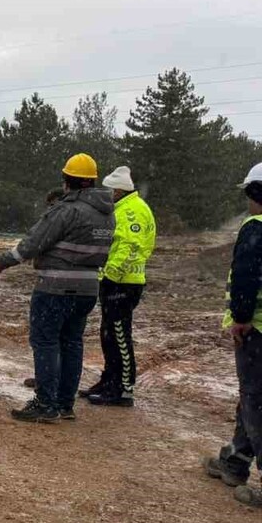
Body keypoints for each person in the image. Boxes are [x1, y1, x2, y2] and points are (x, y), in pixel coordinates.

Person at [0, 154, 115, 423]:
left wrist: (3, 261)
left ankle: (46, 404)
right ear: (91, 181)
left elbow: (34, 242)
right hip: (88, 288)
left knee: (45, 342)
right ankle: (64, 404)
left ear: (67, 180)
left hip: (56, 288)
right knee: (71, 344)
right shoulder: (107, 215)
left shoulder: (67, 210)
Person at [202, 162, 262, 508]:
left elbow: (245, 277)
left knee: (256, 399)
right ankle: (235, 461)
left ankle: (238, 463)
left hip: (258, 329)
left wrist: (240, 318)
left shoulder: (256, 227)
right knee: (252, 396)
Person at [80, 166, 157, 407]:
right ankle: (109, 380)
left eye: (109, 190)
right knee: (109, 334)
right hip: (119, 281)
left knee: (119, 336)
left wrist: (110, 276)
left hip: (123, 282)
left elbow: (128, 246)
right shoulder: (125, 208)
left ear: (118, 191)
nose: (106, 194)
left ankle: (123, 388)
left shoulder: (131, 211)